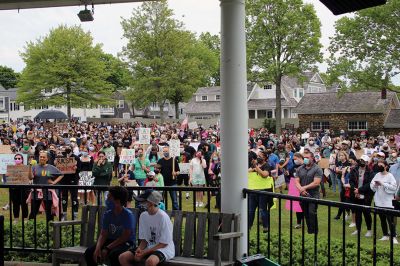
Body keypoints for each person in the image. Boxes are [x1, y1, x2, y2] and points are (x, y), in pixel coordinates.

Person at [119, 190, 174, 266]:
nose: (140, 204)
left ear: (151, 203)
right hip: (148, 247)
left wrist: (144, 252)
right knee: (123, 257)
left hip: (164, 249)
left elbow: (163, 244)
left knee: (150, 262)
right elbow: (144, 240)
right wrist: (139, 249)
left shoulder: (162, 217)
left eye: (143, 202)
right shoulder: (143, 216)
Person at [84, 186, 136, 266]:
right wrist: (98, 248)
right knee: (89, 252)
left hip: (126, 243)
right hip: (110, 240)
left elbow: (125, 236)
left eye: (109, 197)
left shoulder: (127, 215)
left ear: (117, 201)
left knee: (114, 254)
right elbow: (103, 234)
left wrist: (107, 248)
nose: (107, 200)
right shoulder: (108, 214)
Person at [28, 151, 63, 221]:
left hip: (47, 192)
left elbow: (61, 174)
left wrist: (54, 182)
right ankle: (31, 226)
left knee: (49, 212)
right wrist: (30, 166)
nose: (42, 158)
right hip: (36, 192)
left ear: (47, 159)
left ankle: (50, 226)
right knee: (33, 211)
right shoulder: (34, 167)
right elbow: (30, 177)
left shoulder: (51, 167)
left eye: (44, 157)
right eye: (40, 157)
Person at [370, 160, 398, 244]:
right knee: (382, 219)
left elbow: (394, 187)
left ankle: (393, 237)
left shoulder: (390, 176)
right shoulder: (377, 175)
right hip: (378, 200)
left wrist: (383, 184)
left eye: (381, 165)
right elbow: (372, 186)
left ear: (386, 166)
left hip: (388, 201)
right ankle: (385, 235)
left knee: (390, 219)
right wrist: (375, 185)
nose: (379, 167)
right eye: (378, 165)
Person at [295, 152, 322, 234]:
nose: (305, 159)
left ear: (312, 158)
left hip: (313, 194)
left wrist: (304, 188)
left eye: (307, 157)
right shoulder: (299, 169)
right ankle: (310, 231)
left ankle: (314, 231)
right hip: (302, 194)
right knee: (306, 213)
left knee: (312, 212)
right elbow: (296, 181)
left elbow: (316, 183)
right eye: (304, 157)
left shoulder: (317, 169)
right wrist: (301, 190)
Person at [247, 151, 274, 233]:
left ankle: (265, 226)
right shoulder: (254, 165)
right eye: (257, 155)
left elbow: (264, 175)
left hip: (263, 191)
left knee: (262, 210)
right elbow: (247, 171)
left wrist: (256, 167)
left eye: (260, 156)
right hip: (253, 190)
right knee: (251, 210)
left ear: (265, 157)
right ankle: (248, 226)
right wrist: (253, 168)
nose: (258, 157)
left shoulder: (267, 165)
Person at [348, 155, 374, 237]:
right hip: (356, 194)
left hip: (366, 195)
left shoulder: (370, 172)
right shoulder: (354, 170)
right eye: (361, 161)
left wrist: (360, 190)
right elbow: (351, 180)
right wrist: (355, 190)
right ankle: (358, 229)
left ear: (367, 162)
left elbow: (369, 184)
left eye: (364, 161)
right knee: (357, 213)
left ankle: (369, 230)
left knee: (366, 213)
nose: (362, 162)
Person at [9, 154, 29, 223]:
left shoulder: (26, 167)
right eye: (16, 158)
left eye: (19, 158)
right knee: (15, 204)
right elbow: (7, 176)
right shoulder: (11, 168)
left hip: (23, 189)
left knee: (24, 204)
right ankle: (16, 219)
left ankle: (25, 219)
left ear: (22, 159)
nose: (17, 160)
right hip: (14, 189)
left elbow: (27, 177)